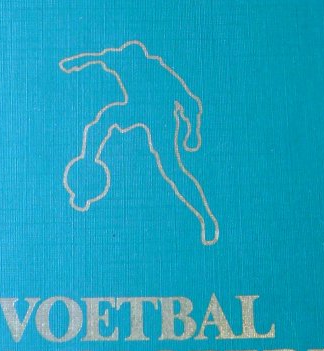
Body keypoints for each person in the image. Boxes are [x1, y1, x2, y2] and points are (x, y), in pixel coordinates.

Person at [59, 40, 220, 246]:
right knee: (104, 120)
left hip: (160, 117)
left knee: (173, 170)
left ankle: (205, 217)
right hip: (135, 107)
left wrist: (192, 134)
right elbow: (96, 58)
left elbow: (192, 105)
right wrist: (76, 63)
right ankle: (88, 160)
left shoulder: (161, 73)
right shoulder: (121, 59)